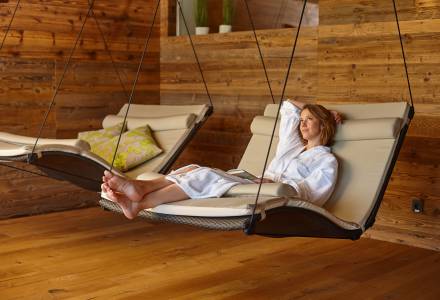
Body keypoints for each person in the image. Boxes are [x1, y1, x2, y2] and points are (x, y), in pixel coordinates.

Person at [101, 99, 342, 219]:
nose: (302, 124)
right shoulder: (293, 147)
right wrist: (320, 109)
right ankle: (140, 196)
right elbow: (288, 105)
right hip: (258, 182)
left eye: (309, 119)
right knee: (194, 168)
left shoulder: (326, 161)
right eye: (302, 120)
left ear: (324, 125)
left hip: (275, 194)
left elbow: (314, 195)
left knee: (206, 175)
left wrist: (280, 187)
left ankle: (140, 198)